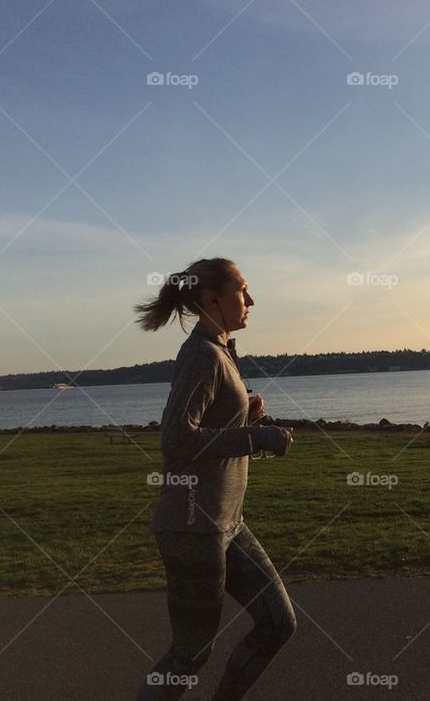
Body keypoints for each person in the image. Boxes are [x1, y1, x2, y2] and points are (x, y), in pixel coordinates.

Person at [133, 257, 297, 701]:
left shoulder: (221, 349)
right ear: (212, 299)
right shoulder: (202, 355)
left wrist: (246, 413)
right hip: (191, 527)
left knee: (278, 623)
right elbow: (176, 437)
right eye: (242, 291)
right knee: (190, 653)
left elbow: (211, 423)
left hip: (227, 524)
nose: (251, 300)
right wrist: (256, 436)